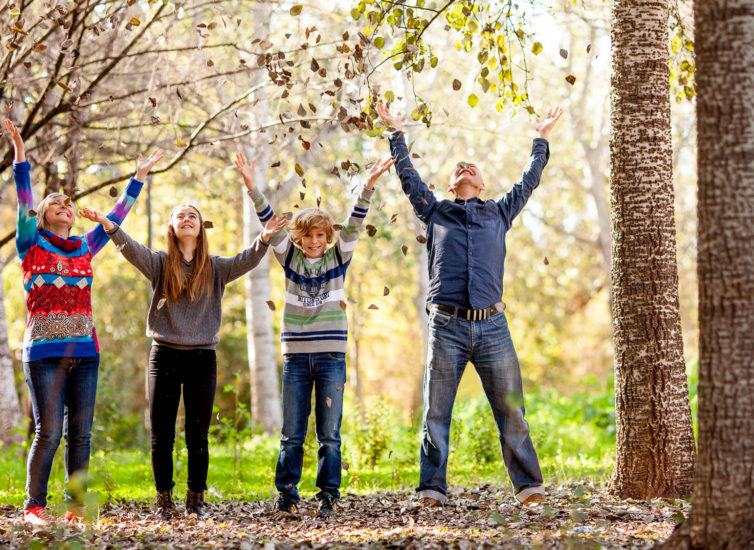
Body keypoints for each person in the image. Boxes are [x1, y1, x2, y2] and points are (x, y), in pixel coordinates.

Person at [375, 103, 563, 507]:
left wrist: (541, 139)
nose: (466, 168)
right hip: (447, 327)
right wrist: (396, 132)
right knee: (435, 412)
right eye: (459, 168)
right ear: (450, 185)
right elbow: (409, 180)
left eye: (472, 168)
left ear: (481, 184)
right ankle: (431, 488)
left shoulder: (499, 212)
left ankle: (529, 487)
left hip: (494, 327)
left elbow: (529, 181)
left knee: (512, 411)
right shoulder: (436, 212)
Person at [80, 195, 285, 520]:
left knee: (197, 434)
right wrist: (108, 226)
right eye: (180, 216)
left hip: (202, 358)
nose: (187, 218)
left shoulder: (216, 267)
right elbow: (131, 249)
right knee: (162, 433)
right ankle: (164, 500)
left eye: (193, 215)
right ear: (172, 228)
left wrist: (264, 238)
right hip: (164, 356)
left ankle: (195, 500)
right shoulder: (160, 263)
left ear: (201, 227)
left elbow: (246, 260)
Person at [4, 118, 163, 525]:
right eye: (55, 203)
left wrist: (138, 177)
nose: (64, 206)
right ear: (43, 216)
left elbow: (118, 216)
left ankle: (75, 506)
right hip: (42, 354)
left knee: (81, 435)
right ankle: (34, 508)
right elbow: (24, 200)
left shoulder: (84, 248)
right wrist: (21, 156)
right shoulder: (30, 242)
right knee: (49, 433)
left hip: (85, 353)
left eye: (68, 204)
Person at [234, 149, 394, 518]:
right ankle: (288, 496)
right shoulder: (289, 259)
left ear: (327, 236)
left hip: (331, 357)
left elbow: (355, 222)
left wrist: (368, 185)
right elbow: (268, 221)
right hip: (295, 357)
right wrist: (250, 185)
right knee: (291, 433)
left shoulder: (338, 260)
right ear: (299, 237)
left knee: (329, 435)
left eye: (321, 235)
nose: (315, 241)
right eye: (308, 236)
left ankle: (328, 496)